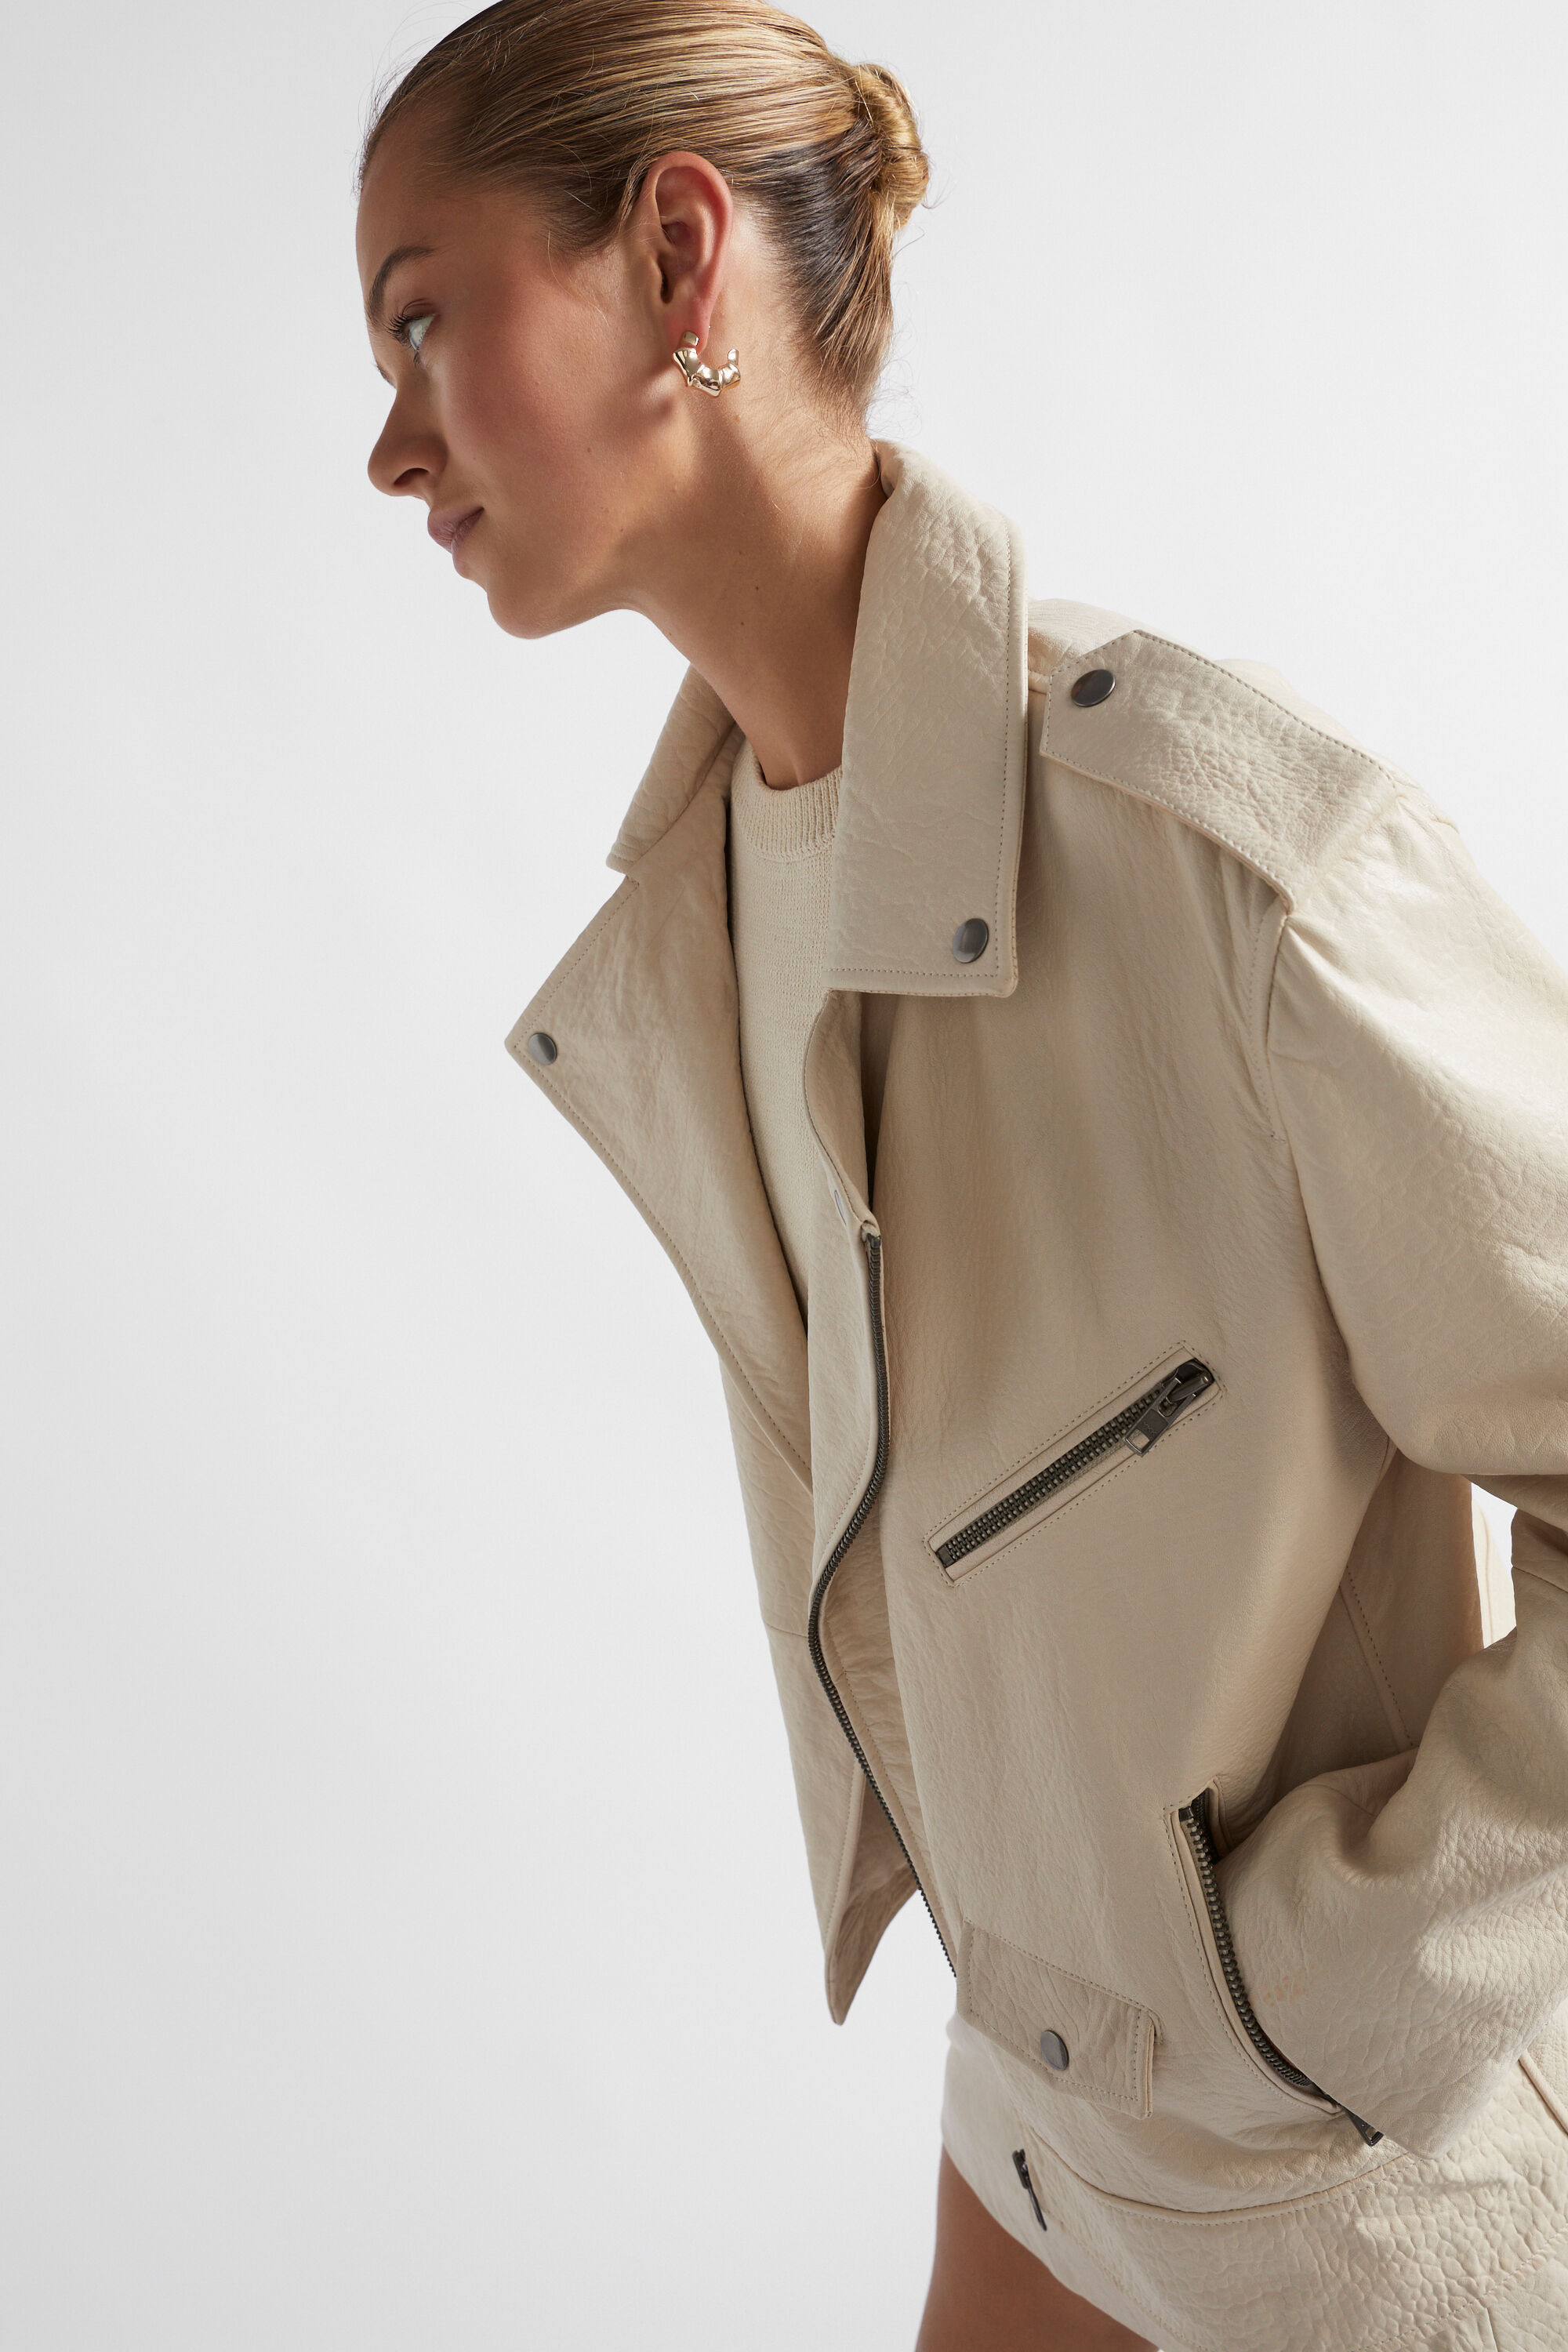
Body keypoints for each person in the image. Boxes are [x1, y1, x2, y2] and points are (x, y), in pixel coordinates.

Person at [354, 5, 1568, 2345]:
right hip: (1035, 2109)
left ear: (676, 255)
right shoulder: (715, 897)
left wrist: (1336, 1980)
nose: (391, 440)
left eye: (424, 317)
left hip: (1350, 2201)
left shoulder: (1226, 869)